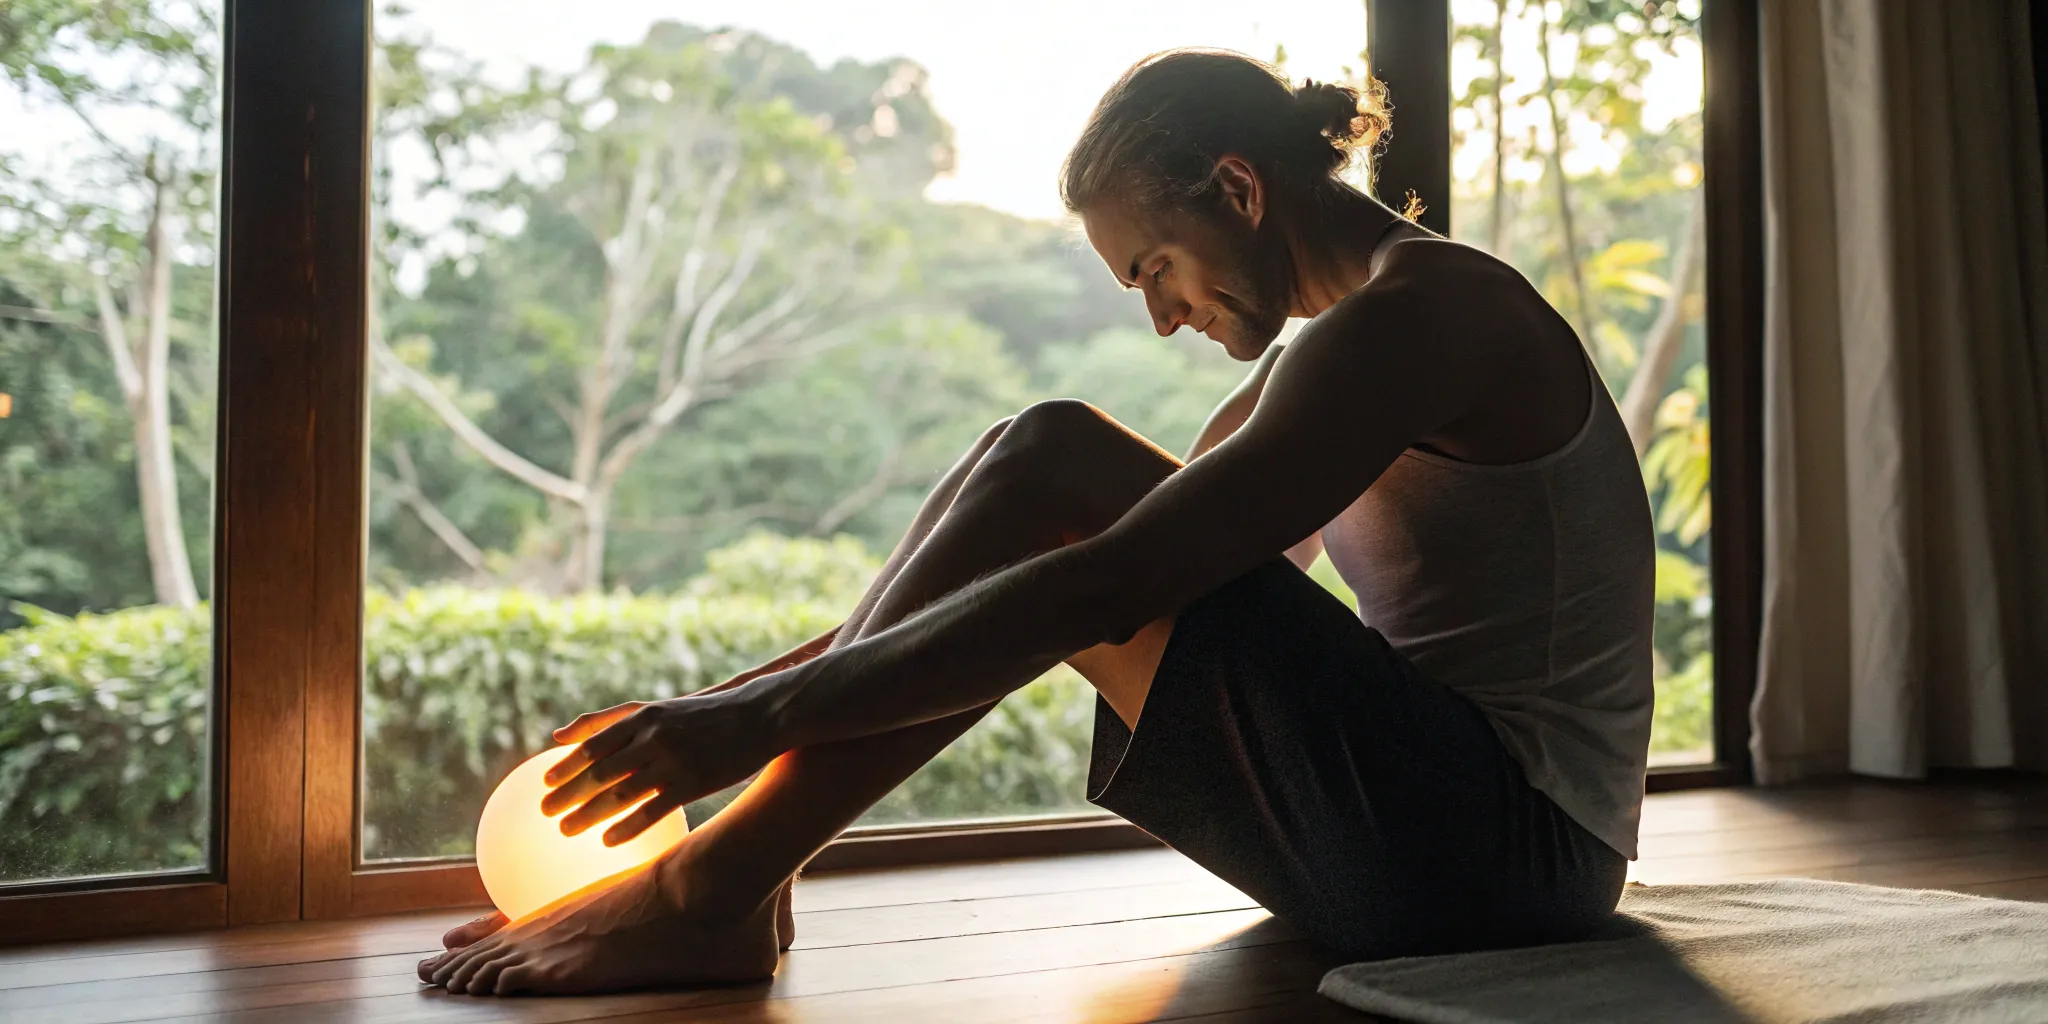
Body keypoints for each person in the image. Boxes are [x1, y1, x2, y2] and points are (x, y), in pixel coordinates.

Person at [418, 47, 1654, 997]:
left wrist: (745, 723)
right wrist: (703, 719)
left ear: (1237, 188)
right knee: (1033, 465)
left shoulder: (1427, 315)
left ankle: (716, 883)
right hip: (1435, 858)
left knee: (1059, 454)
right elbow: (1044, 565)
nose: (1162, 317)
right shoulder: (1324, 364)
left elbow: (1102, 584)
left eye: (1153, 268)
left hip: (1507, 865)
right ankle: (740, 871)